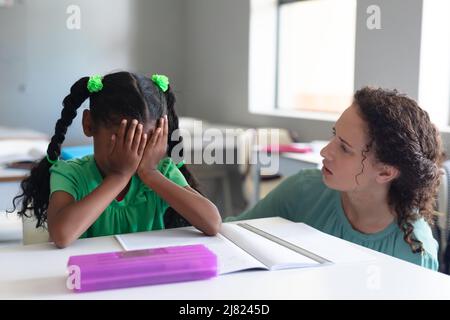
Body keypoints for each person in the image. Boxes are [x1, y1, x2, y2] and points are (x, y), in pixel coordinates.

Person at [227, 87, 444, 270]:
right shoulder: (303, 190)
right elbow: (231, 234)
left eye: (344, 148)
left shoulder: (414, 253)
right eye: (334, 135)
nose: (325, 151)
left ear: (385, 172)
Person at [13, 71, 221, 248]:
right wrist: (120, 176)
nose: (133, 152)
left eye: (145, 141)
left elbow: (212, 223)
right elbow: (62, 235)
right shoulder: (70, 174)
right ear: (89, 124)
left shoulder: (162, 173)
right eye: (123, 139)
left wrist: (150, 174)